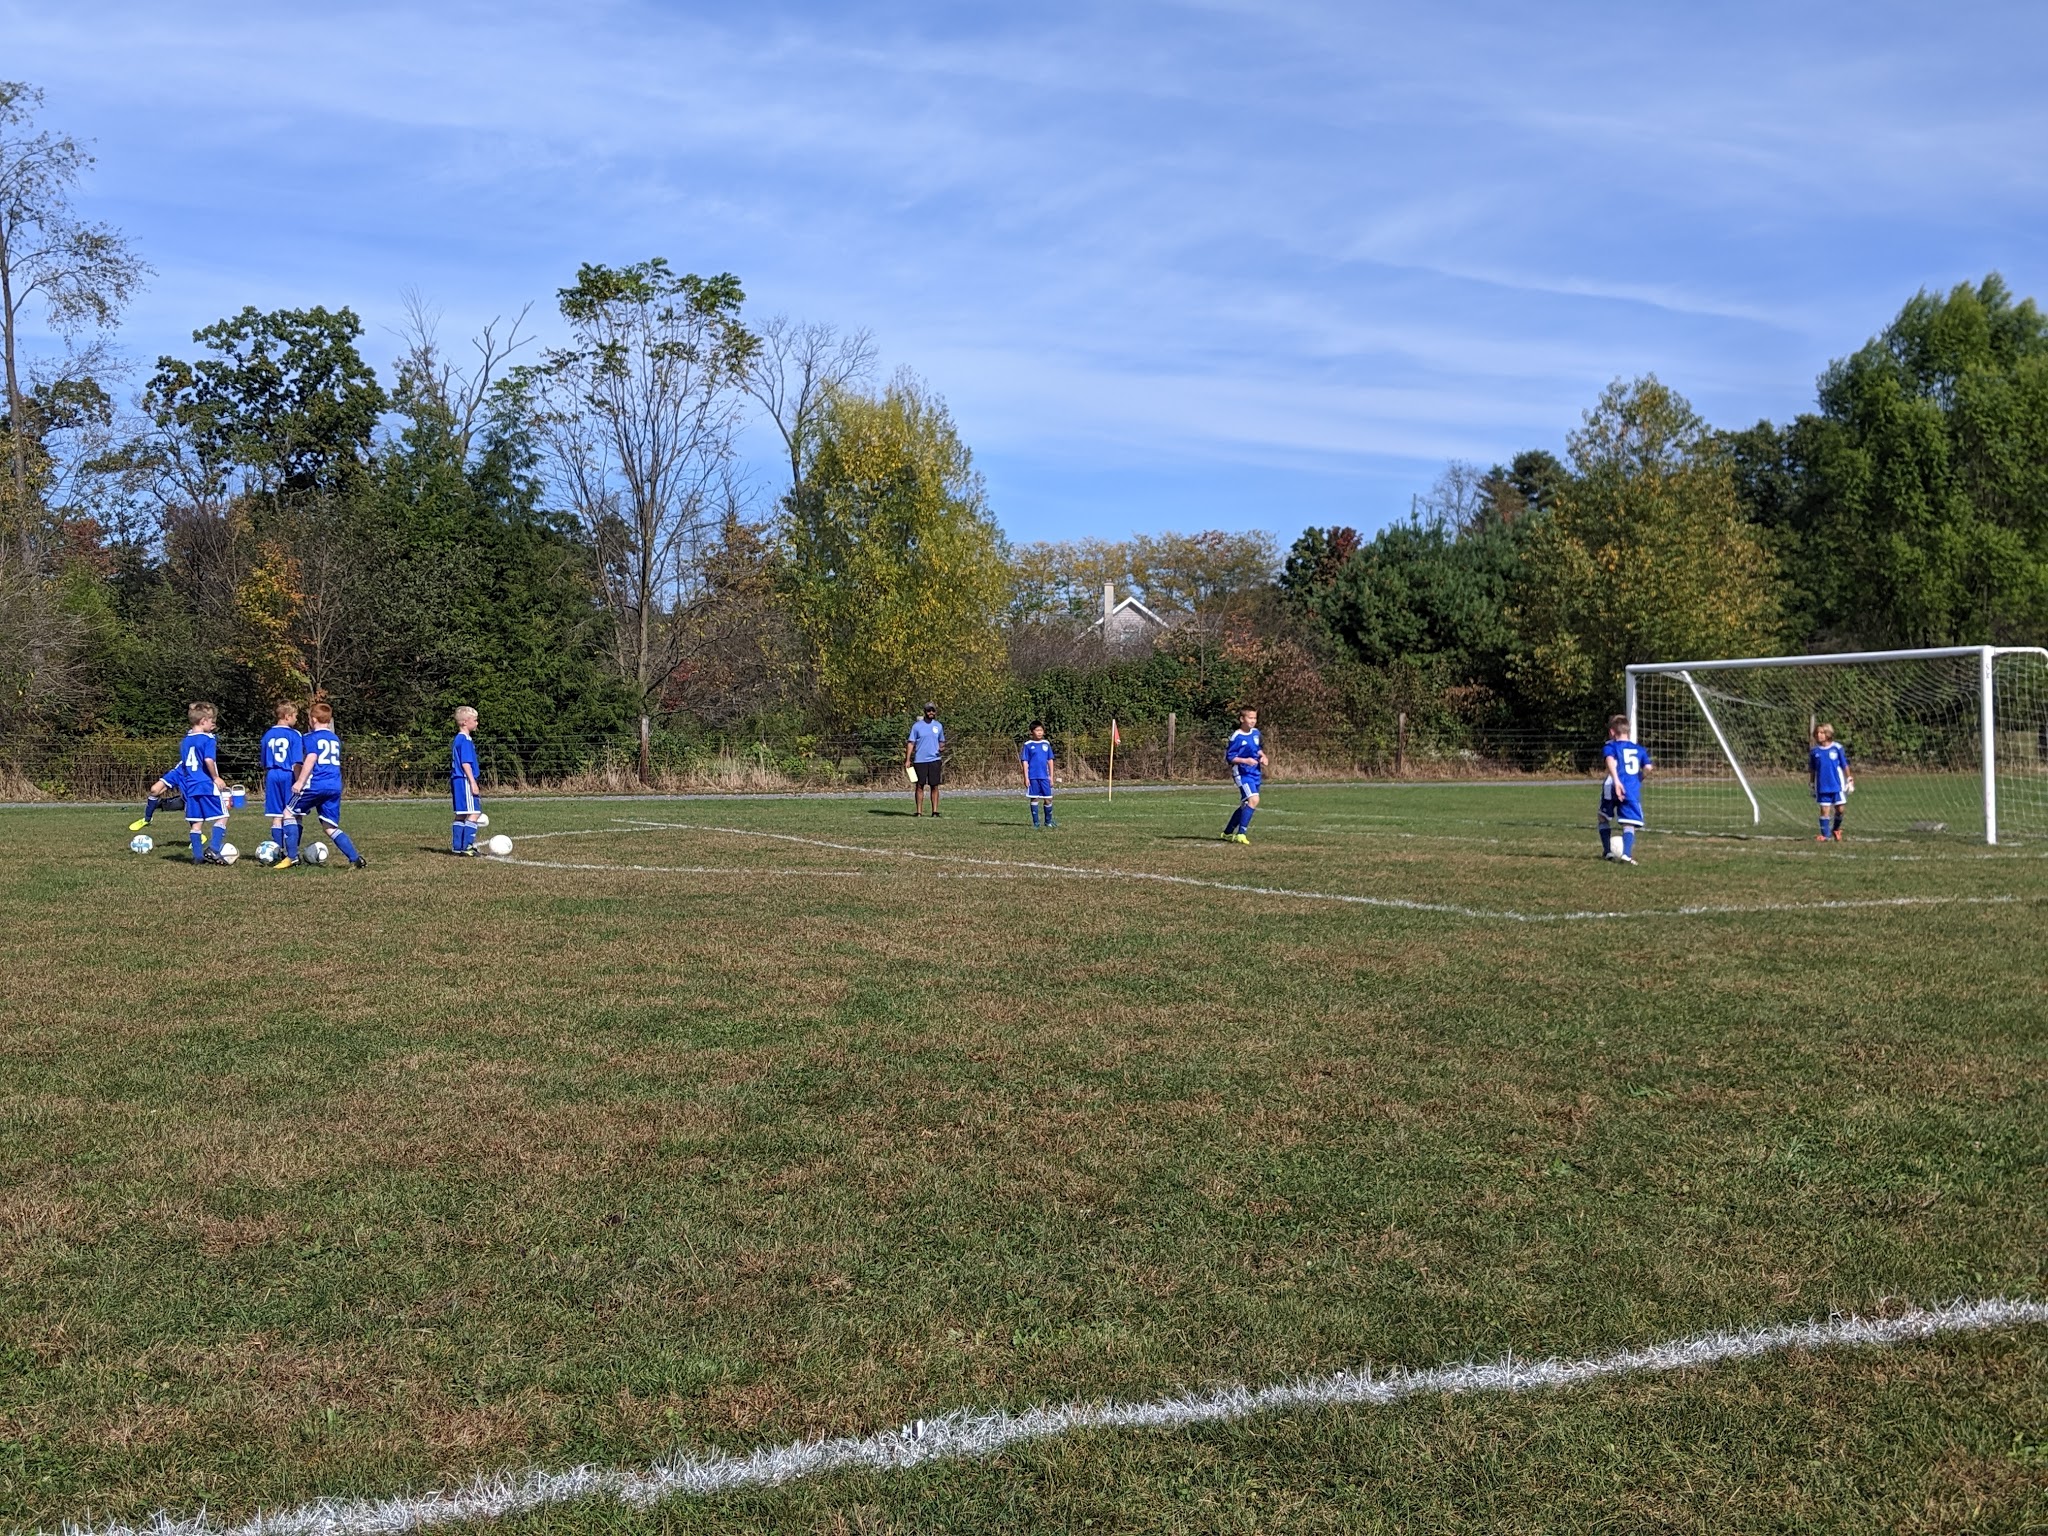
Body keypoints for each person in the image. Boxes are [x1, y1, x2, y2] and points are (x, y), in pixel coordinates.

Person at [285, 701, 366, 869]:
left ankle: (291, 857)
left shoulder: (310, 737)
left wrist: (300, 781)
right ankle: (355, 858)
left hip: (316, 784)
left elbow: (311, 758)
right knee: (329, 827)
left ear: (313, 719)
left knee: (289, 813)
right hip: (334, 785)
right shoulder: (335, 739)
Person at [165, 702, 232, 864]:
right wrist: (216, 778)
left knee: (196, 823)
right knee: (223, 816)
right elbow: (208, 760)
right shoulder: (208, 739)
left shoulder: (185, 741)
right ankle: (214, 849)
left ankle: (197, 858)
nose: (213, 724)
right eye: (211, 721)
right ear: (203, 721)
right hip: (206, 783)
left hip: (191, 786)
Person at [1600, 713, 1653, 864]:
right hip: (1630, 789)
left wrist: (1616, 781)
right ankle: (1626, 854)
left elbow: (1609, 760)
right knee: (1629, 822)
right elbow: (1648, 767)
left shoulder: (1610, 746)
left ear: (1612, 732)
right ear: (1628, 731)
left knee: (1603, 817)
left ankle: (1607, 851)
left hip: (1612, 786)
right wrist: (1639, 778)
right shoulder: (1639, 749)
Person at [260, 701, 305, 865]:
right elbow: (297, 762)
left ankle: (277, 851)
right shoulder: (294, 735)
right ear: (287, 716)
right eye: (295, 716)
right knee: (295, 813)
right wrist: (300, 781)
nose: (296, 720)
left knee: (277, 816)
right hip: (288, 774)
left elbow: (263, 761)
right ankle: (292, 851)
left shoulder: (267, 735)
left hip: (272, 774)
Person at [1222, 706, 1266, 844]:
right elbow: (1230, 757)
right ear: (1242, 719)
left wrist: (1263, 756)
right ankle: (1241, 834)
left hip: (1255, 772)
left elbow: (1257, 749)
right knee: (1254, 799)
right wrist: (1245, 760)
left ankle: (1227, 832)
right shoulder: (1237, 736)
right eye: (1250, 718)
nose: (1253, 721)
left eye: (1255, 718)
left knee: (1246, 804)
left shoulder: (1256, 733)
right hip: (1242, 773)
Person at [1809, 723, 1853, 842]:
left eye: (1822, 733)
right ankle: (1825, 835)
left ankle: (1836, 829)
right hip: (1822, 786)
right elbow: (1813, 769)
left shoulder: (1837, 748)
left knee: (1840, 809)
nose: (1819, 735)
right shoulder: (1814, 751)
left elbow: (1844, 764)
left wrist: (1849, 779)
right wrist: (1811, 783)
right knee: (1824, 810)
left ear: (1828, 734)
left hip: (1837, 785)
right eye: (1817, 733)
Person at [451, 706, 483, 854]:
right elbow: (465, 763)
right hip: (465, 779)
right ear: (465, 722)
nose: (477, 723)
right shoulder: (464, 740)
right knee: (474, 812)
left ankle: (458, 847)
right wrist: (473, 782)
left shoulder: (458, 739)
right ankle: (467, 847)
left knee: (462, 813)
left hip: (458, 780)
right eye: (474, 720)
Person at [905, 703, 945, 817]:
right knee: (919, 785)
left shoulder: (938, 726)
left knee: (934, 785)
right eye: (928, 710)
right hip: (920, 760)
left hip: (935, 760)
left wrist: (942, 747)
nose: (931, 712)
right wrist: (908, 759)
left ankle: (935, 811)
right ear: (925, 712)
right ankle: (919, 812)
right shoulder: (917, 726)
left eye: (933, 710)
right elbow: (911, 743)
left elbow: (942, 741)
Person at [1020, 722, 1057, 829]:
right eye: (1037, 730)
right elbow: (1025, 761)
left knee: (1048, 799)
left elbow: (1050, 760)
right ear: (1032, 732)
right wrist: (1026, 777)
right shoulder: (1028, 745)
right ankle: (1036, 822)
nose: (1039, 732)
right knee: (1034, 798)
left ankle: (1048, 822)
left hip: (1044, 777)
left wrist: (1051, 776)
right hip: (1033, 777)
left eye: (1041, 730)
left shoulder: (1046, 744)